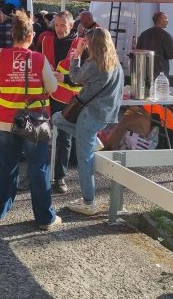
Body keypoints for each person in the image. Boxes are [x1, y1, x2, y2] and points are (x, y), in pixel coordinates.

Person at [0, 11, 60, 230]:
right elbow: (52, 88)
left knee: (6, 166)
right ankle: (44, 218)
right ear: (30, 37)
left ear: (13, 35)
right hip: (34, 122)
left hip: (5, 119)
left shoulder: (0, 55)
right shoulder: (39, 59)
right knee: (38, 168)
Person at [52, 29, 123, 215]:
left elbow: (75, 77)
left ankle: (88, 201)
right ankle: (95, 141)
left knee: (85, 160)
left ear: (92, 44)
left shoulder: (94, 64)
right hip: (106, 116)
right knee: (60, 120)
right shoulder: (116, 63)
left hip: (89, 115)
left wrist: (76, 55)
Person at [39, 11, 82, 194]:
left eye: (63, 25)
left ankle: (60, 177)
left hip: (68, 99)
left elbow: (86, 77)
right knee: (40, 136)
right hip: (46, 96)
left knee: (64, 139)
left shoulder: (80, 45)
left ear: (71, 25)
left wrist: (64, 77)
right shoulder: (45, 41)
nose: (59, 29)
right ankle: (39, 174)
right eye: (56, 25)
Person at [136, 11, 173, 77]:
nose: (167, 20)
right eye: (165, 18)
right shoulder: (166, 35)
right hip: (160, 74)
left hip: (145, 72)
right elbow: (171, 55)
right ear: (160, 20)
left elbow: (138, 51)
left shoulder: (143, 34)